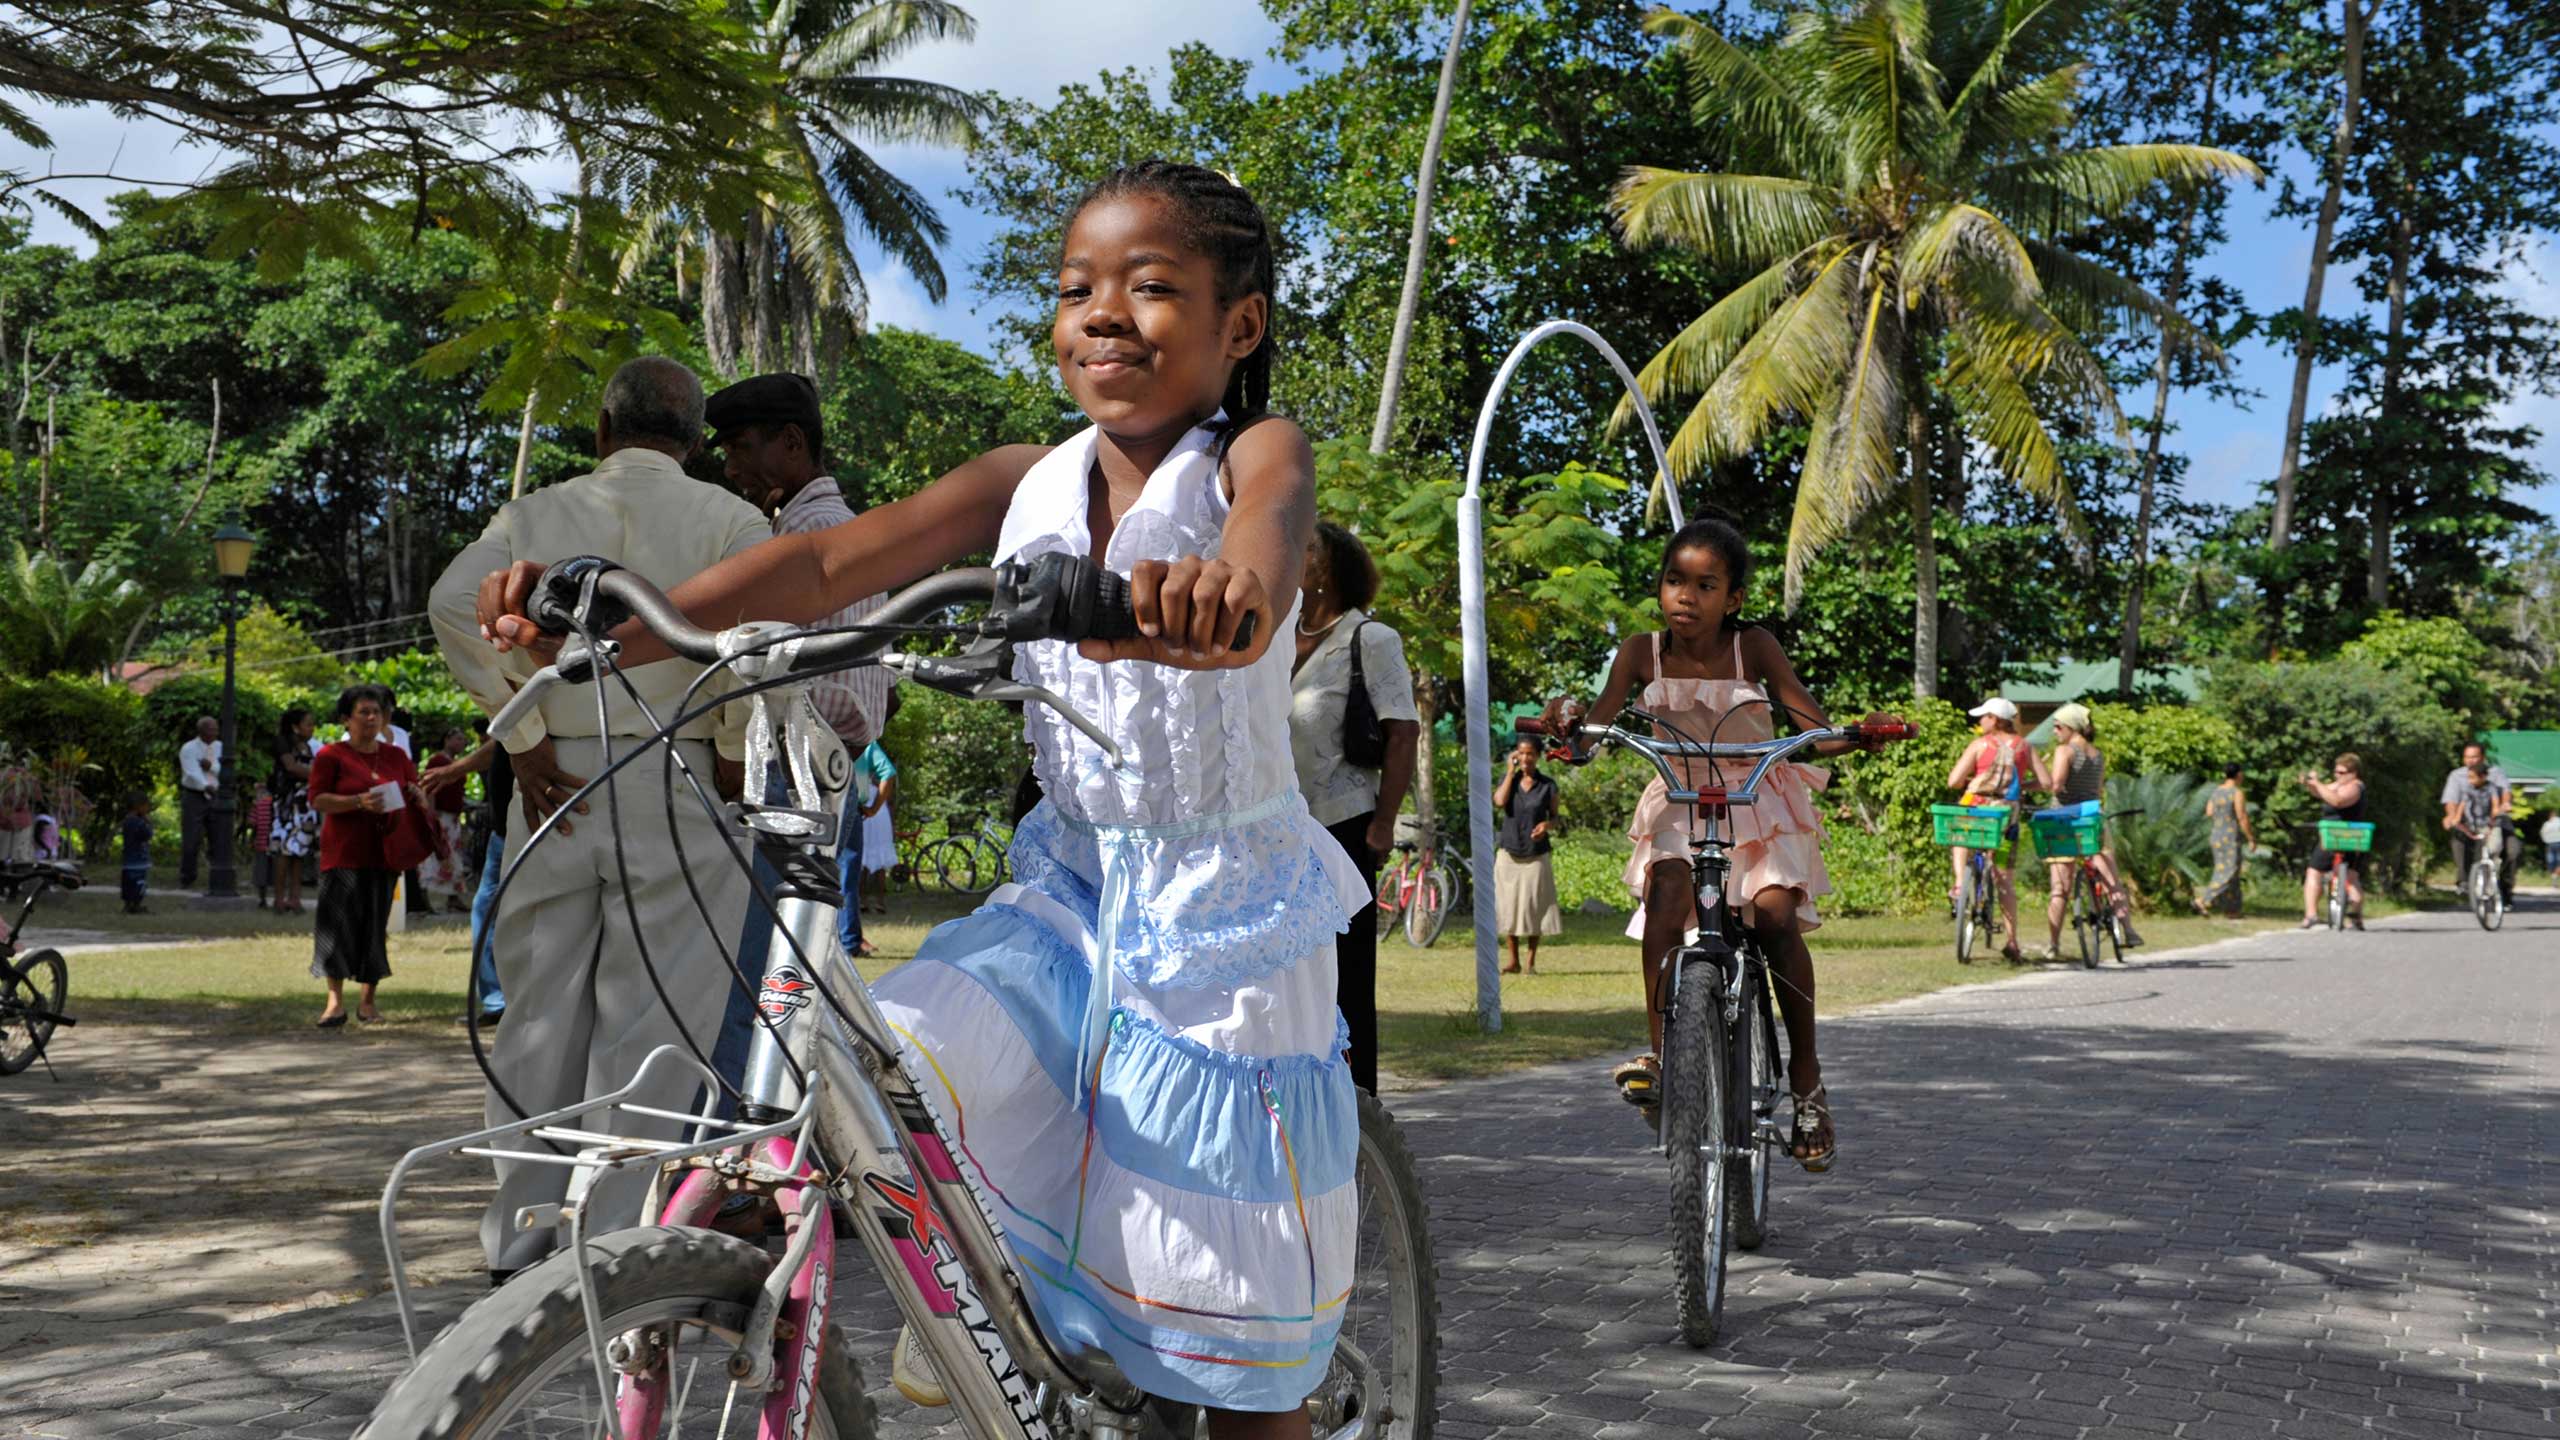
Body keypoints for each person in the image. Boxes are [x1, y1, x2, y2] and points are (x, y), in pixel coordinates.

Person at [475, 162, 1364, 1436]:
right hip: (1067, 889)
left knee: (1224, 1333)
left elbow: (1269, 539)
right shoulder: (1026, 478)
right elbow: (831, 558)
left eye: (1151, 288)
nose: (1103, 314)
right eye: (1075, 289)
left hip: (1221, 921)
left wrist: (1222, 593)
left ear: (1241, 326)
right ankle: (965, 1319)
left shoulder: (1249, 453)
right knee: (896, 1064)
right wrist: (620, 615)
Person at [430, 354, 771, 1282]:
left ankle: (519, 1237)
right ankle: (611, 1237)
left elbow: (450, 602)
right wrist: (736, 745)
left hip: (561, 778)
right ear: (695, 443)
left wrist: (524, 727)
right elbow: (755, 642)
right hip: (676, 769)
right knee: (659, 1021)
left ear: (602, 432)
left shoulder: (533, 515)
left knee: (539, 1012)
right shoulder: (729, 518)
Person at [1542, 514, 1898, 1174]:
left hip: (1756, 792)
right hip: (1680, 794)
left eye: (1706, 585)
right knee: (1667, 889)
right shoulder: (1639, 653)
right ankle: (1664, 1058)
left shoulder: (1753, 647)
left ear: (1732, 599)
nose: (1686, 596)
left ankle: (1807, 1082)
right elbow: (1591, 734)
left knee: (1772, 913)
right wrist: (1568, 729)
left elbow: (1811, 727)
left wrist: (1859, 732)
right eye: (1675, 580)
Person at [703, 371, 892, 994]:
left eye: (738, 448)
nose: (730, 468)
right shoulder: (851, 530)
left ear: (789, 442)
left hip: (787, 772)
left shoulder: (795, 541)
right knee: (790, 979)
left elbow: (750, 669)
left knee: (751, 979)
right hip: (827, 773)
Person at [1287, 519, 1419, 1094]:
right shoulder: (1272, 633)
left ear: (1333, 569)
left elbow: (1402, 733)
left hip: (1343, 826)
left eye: (1307, 548)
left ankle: (1357, 1107)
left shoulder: (1371, 639)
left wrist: (1384, 824)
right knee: (1284, 976)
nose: (1293, 554)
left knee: (1345, 977)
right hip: (1274, 830)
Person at [307, 684, 420, 1026]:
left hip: (385, 853)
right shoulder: (331, 756)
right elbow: (318, 799)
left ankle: (368, 1003)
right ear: (346, 719)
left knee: (375, 926)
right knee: (336, 927)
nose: (372, 719)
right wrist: (357, 802)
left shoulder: (397, 757)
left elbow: (412, 789)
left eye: (378, 713)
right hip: (342, 855)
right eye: (364, 712)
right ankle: (334, 1002)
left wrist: (416, 793)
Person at [418, 723, 510, 1028]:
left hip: (524, 828)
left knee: (490, 912)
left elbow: (510, 735)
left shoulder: (528, 692)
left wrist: (453, 770)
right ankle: (497, 1000)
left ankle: (502, 1000)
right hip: (506, 830)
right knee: (486, 911)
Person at [1945, 696, 2047, 963]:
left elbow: (1954, 780)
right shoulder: (2024, 747)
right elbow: (2046, 782)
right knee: (2004, 877)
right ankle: (2012, 942)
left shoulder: (1980, 745)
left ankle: (1959, 885)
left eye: (1984, 717)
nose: (1980, 721)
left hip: (1977, 812)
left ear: (1995, 719)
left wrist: (1974, 781)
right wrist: (2021, 787)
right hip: (2005, 816)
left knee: (1959, 836)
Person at [2038, 702, 2141, 957]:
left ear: (2070, 727)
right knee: (2110, 877)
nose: (2055, 732)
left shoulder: (2064, 752)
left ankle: (2053, 945)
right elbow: (2096, 790)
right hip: (2093, 818)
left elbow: (2056, 785)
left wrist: (2032, 783)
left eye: (2057, 726)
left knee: (2060, 887)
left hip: (2063, 821)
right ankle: (2128, 929)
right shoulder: (2097, 754)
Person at [1493, 735, 1561, 974]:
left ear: (1538, 756)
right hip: (1509, 853)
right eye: (1520, 753)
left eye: (1530, 753)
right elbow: (1499, 801)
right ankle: (1513, 960)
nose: (1525, 758)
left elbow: (1556, 817)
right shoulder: (1509, 781)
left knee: (1534, 908)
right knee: (1508, 907)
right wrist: (1510, 772)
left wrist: (1546, 826)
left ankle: (1530, 961)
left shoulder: (1547, 785)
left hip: (1536, 855)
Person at [2439, 743, 2519, 907]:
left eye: (2474, 757)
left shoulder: (2495, 774)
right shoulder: (2457, 776)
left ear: (2483, 758)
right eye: (2467, 757)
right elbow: (2452, 800)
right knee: (2458, 838)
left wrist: (2505, 805)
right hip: (2470, 823)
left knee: (2513, 851)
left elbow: (2505, 793)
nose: (2470, 761)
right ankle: (2464, 881)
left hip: (2495, 822)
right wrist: (2451, 816)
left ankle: (2504, 889)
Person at [2301, 752, 2367, 929]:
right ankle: (2311, 914)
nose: (2338, 776)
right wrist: (2310, 783)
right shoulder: (2339, 784)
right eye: (2336, 772)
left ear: (2354, 772)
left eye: (2342, 772)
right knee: (2314, 872)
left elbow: (2337, 801)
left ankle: (2356, 915)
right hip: (2330, 834)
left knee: (2346, 877)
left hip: (2344, 836)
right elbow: (2320, 793)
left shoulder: (2355, 786)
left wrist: (2318, 785)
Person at [420, 729, 475, 913]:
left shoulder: (457, 763)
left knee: (454, 857)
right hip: (441, 816)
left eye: (464, 740)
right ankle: (430, 900)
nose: (462, 743)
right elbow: (429, 787)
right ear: (447, 739)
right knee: (439, 855)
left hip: (453, 817)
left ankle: (454, 898)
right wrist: (431, 813)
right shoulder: (437, 761)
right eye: (459, 739)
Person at [269, 709, 318, 914]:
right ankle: (279, 898)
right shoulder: (283, 743)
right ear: (295, 726)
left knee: (299, 850)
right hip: (288, 803)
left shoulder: (308, 746)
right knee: (283, 851)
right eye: (308, 724)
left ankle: (295, 898)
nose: (311, 728)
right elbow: (292, 767)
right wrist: (320, 775)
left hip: (305, 803)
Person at [2194, 762, 2254, 916]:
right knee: (2229, 871)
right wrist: (2251, 838)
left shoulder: (2216, 792)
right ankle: (2203, 900)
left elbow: (2209, 812)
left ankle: (2232, 909)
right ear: (2239, 774)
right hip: (2230, 836)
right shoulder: (2236, 792)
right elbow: (2242, 816)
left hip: (2216, 835)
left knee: (2228, 872)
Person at [853, 736, 898, 930]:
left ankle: (859, 902)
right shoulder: (866, 743)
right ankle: (878, 900)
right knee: (876, 854)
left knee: (856, 859)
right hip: (873, 808)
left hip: (857, 805)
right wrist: (876, 807)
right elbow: (888, 773)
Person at [177, 714, 221, 889]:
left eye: (216, 728)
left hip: (216, 795)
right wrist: (205, 786)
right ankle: (187, 877)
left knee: (218, 838)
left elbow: (226, 770)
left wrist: (212, 767)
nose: (215, 732)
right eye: (211, 728)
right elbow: (191, 773)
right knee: (191, 839)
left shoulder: (221, 747)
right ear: (201, 730)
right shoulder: (189, 748)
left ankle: (217, 876)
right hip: (195, 796)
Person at [118, 791, 152, 914]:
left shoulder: (127, 821)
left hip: (128, 860)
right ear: (139, 806)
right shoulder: (139, 822)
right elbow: (147, 835)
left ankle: (128, 905)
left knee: (127, 885)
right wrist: (148, 823)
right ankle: (136, 905)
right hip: (138, 861)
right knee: (139, 884)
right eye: (146, 806)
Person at [248, 777, 275, 909]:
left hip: (261, 844)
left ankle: (262, 899)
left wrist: (252, 840)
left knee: (261, 875)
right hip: (276, 844)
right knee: (275, 872)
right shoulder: (275, 804)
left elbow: (253, 824)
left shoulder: (257, 805)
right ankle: (278, 898)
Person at [2542, 808, 2560, 878]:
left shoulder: (2547, 823)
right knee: (2554, 861)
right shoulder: (2548, 823)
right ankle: (2555, 876)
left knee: (2552, 861)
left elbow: (2543, 833)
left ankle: (2554, 875)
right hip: (2552, 843)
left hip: (2553, 843)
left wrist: (2545, 840)